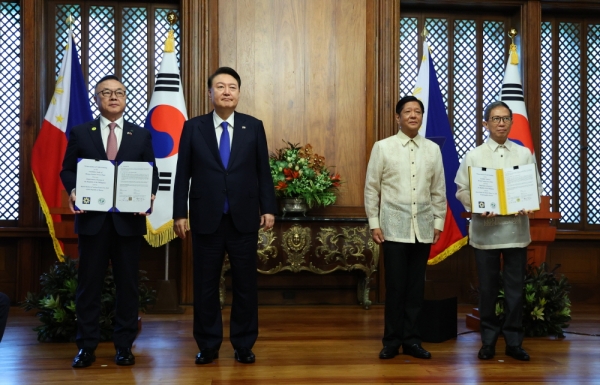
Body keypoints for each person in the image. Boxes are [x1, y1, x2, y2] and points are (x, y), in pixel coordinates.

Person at [173, 67, 277, 365]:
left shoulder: (253, 126)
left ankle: (244, 344)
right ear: (210, 93)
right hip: (206, 218)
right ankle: (208, 344)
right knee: (205, 285)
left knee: (245, 285)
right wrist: (180, 213)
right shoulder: (193, 127)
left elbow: (263, 172)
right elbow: (183, 175)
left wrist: (267, 207)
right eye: (220, 86)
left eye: (232, 87)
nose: (227, 91)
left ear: (239, 93)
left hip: (244, 218)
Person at [60, 75, 159, 368]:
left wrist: (149, 194)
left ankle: (124, 346)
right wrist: (74, 189)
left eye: (119, 92)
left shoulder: (140, 135)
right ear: (97, 99)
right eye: (106, 93)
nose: (113, 97)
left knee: (127, 286)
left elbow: (150, 173)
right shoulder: (81, 132)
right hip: (93, 222)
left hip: (128, 223)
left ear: (126, 98)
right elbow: (67, 170)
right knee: (88, 286)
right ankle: (86, 347)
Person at [455, 100, 541, 362]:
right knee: (489, 290)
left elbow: (534, 188)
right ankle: (489, 341)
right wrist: (477, 206)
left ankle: (514, 342)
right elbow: (462, 190)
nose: (501, 123)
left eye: (505, 118)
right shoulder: (474, 155)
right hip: (486, 232)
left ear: (512, 123)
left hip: (515, 232)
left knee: (515, 290)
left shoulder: (524, 153)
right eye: (495, 119)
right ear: (485, 123)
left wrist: (527, 203)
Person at [364, 95, 446, 360]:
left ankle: (412, 340)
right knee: (396, 287)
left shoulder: (432, 149)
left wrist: (438, 222)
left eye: (418, 111)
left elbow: (438, 190)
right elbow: (371, 188)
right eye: (408, 111)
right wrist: (374, 223)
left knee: (415, 288)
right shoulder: (383, 147)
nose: (413, 115)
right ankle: (391, 341)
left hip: (422, 227)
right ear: (398, 117)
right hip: (393, 228)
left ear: (422, 117)